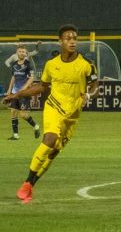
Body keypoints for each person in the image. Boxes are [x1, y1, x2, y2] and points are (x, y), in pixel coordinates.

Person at [3, 25, 99, 203]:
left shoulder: (87, 65)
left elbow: (95, 87)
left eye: (75, 38)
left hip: (72, 116)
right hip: (54, 107)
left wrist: (88, 94)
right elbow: (41, 87)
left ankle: (31, 184)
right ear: (60, 41)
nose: (72, 41)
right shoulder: (51, 65)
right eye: (68, 38)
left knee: (53, 152)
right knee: (50, 139)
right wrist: (16, 95)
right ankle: (27, 181)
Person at [6, 46, 41, 139]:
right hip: (14, 92)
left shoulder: (28, 64)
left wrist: (23, 89)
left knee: (23, 115)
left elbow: (31, 78)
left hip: (23, 93)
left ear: (26, 54)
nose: (22, 53)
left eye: (24, 52)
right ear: (17, 52)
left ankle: (36, 126)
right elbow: (13, 77)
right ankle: (15, 135)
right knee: (13, 112)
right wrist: (9, 89)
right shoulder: (14, 64)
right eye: (20, 51)